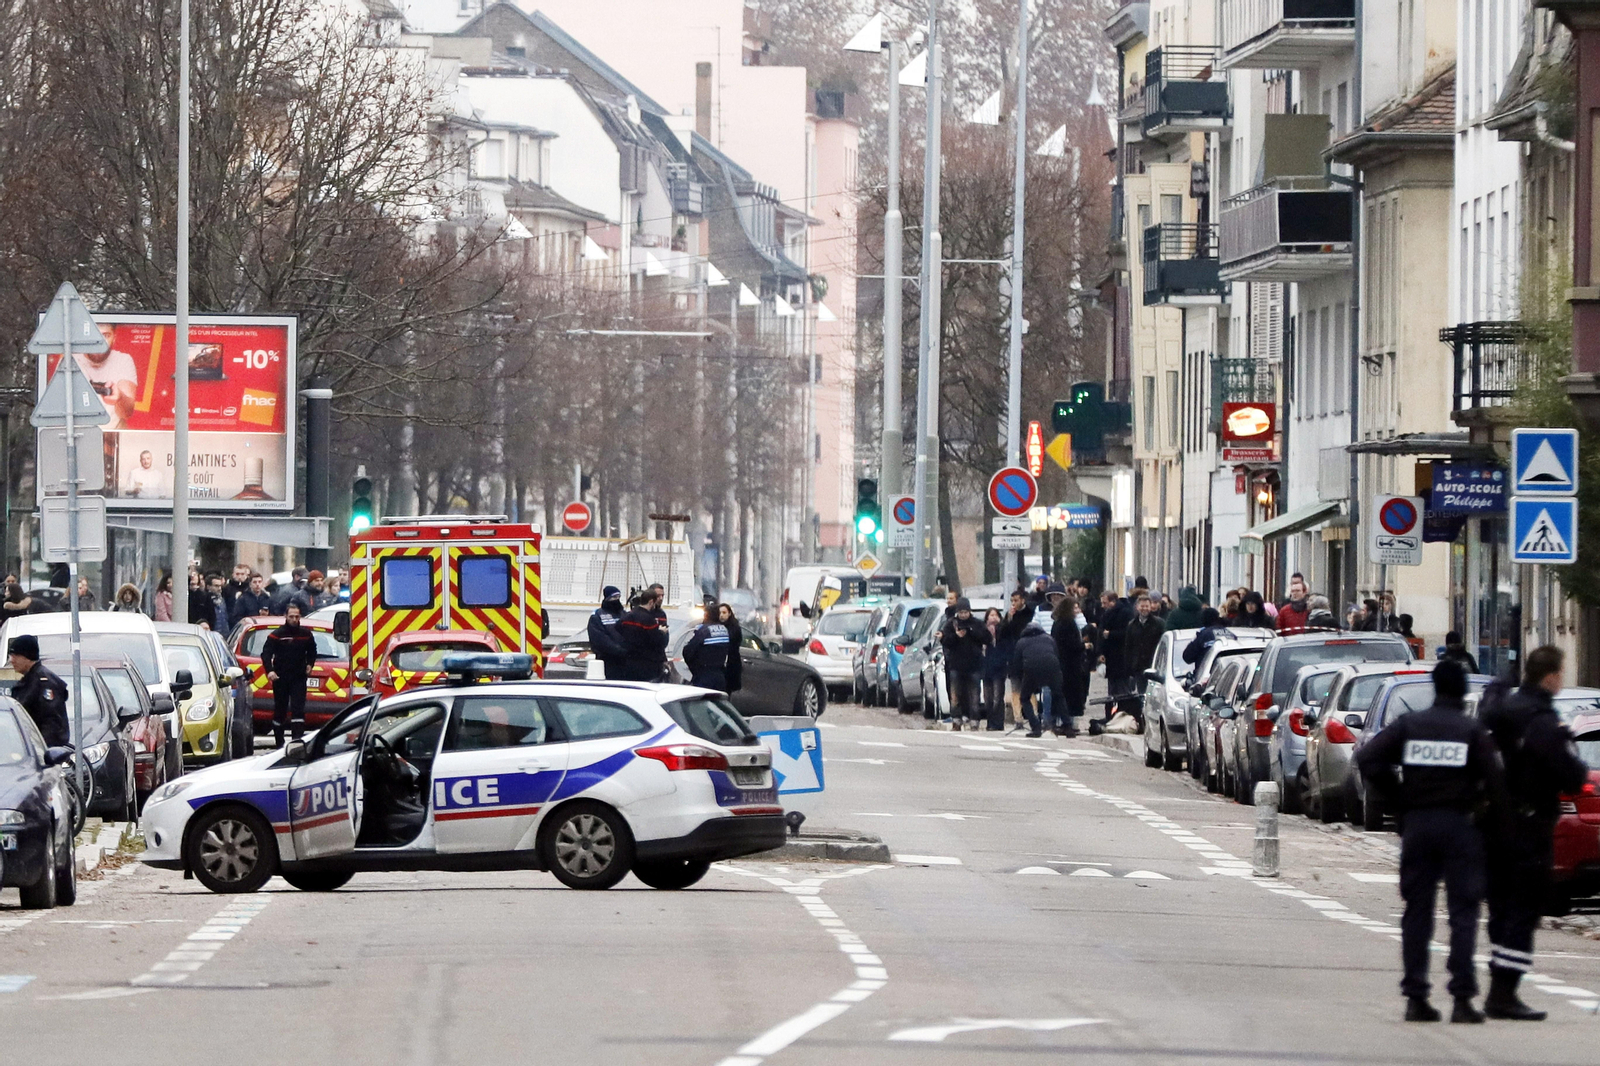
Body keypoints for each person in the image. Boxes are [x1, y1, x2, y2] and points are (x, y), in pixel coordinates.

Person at [1356, 660, 1501, 1023]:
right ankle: (1463, 999)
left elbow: (1369, 758)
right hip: (1459, 826)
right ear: (1463, 690)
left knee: (1417, 912)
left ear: (1435, 687)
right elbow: (1497, 784)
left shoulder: (1411, 725)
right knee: (1463, 914)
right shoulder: (1472, 731)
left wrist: (1399, 797)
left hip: (1418, 824)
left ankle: (1416, 995)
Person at [1480, 645, 1590, 1020]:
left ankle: (1499, 981)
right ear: (1551, 677)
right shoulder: (1542, 720)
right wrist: (1568, 745)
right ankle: (1504, 992)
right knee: (1525, 909)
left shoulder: (1501, 709)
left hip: (1493, 823)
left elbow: (1486, 711)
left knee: (1500, 906)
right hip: (1530, 827)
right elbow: (1571, 775)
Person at [260, 603, 320, 747]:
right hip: (280, 677)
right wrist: (270, 671)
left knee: (298, 709)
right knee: (280, 710)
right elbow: (266, 654)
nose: (294, 619)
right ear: (285, 617)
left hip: (299, 677)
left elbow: (312, 651)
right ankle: (279, 743)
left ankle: (296, 742)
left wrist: (310, 664)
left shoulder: (305, 635)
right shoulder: (277, 635)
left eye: (297, 616)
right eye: (291, 616)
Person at [938, 598, 990, 730]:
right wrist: (956, 636)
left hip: (974, 665)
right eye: (961, 612)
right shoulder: (951, 624)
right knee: (955, 696)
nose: (963, 615)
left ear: (969, 611)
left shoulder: (977, 623)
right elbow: (945, 641)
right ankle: (956, 721)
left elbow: (986, 638)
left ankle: (974, 721)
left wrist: (971, 632)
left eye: (965, 612)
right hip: (956, 665)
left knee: (974, 696)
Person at [8, 634, 69, 748]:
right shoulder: (29, 679)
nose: (12, 660)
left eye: (16, 655)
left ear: (27, 656)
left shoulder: (44, 683)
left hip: (43, 752)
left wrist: (41, 751)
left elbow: (52, 723)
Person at [1008, 620, 1062, 738]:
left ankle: (1035, 727)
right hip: (1052, 667)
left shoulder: (1021, 642)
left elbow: (1017, 663)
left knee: (1024, 697)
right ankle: (1066, 725)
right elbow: (1056, 654)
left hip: (1031, 669)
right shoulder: (1048, 638)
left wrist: (1018, 677)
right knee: (1058, 695)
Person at [81, 323, 139, 429]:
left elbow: (127, 412)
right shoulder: (70, 361)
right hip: (79, 438)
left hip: (112, 439)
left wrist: (120, 397)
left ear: (114, 338)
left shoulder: (123, 360)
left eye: (106, 335)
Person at [1051, 593, 1086, 737]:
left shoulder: (1057, 622)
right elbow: (1073, 645)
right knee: (1069, 694)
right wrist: (1084, 645)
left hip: (1059, 662)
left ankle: (1058, 722)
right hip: (1070, 665)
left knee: (1060, 693)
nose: (1077, 611)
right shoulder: (1069, 623)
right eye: (1075, 608)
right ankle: (1067, 723)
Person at [683, 605, 739, 693]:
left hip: (704, 676)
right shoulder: (724, 630)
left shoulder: (704, 630)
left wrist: (694, 669)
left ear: (706, 615)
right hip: (720, 676)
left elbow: (688, 651)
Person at [616, 591, 669, 682]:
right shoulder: (648, 619)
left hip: (629, 661)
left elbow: (617, 628)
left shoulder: (628, 616)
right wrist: (661, 632)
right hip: (647, 663)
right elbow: (655, 640)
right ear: (651, 602)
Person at [1124, 592, 1166, 692]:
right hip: (1139, 666)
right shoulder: (1132, 625)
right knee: (1142, 693)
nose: (1144, 609)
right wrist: (1129, 668)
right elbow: (1128, 647)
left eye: (1147, 606)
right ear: (1137, 607)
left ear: (1150, 607)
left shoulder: (1159, 623)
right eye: (1142, 606)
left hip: (1154, 664)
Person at [586, 586, 627, 678]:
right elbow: (599, 639)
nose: (616, 600)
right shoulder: (598, 616)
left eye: (618, 597)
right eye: (614, 597)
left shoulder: (624, 614)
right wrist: (619, 650)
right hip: (606, 661)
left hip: (625, 663)